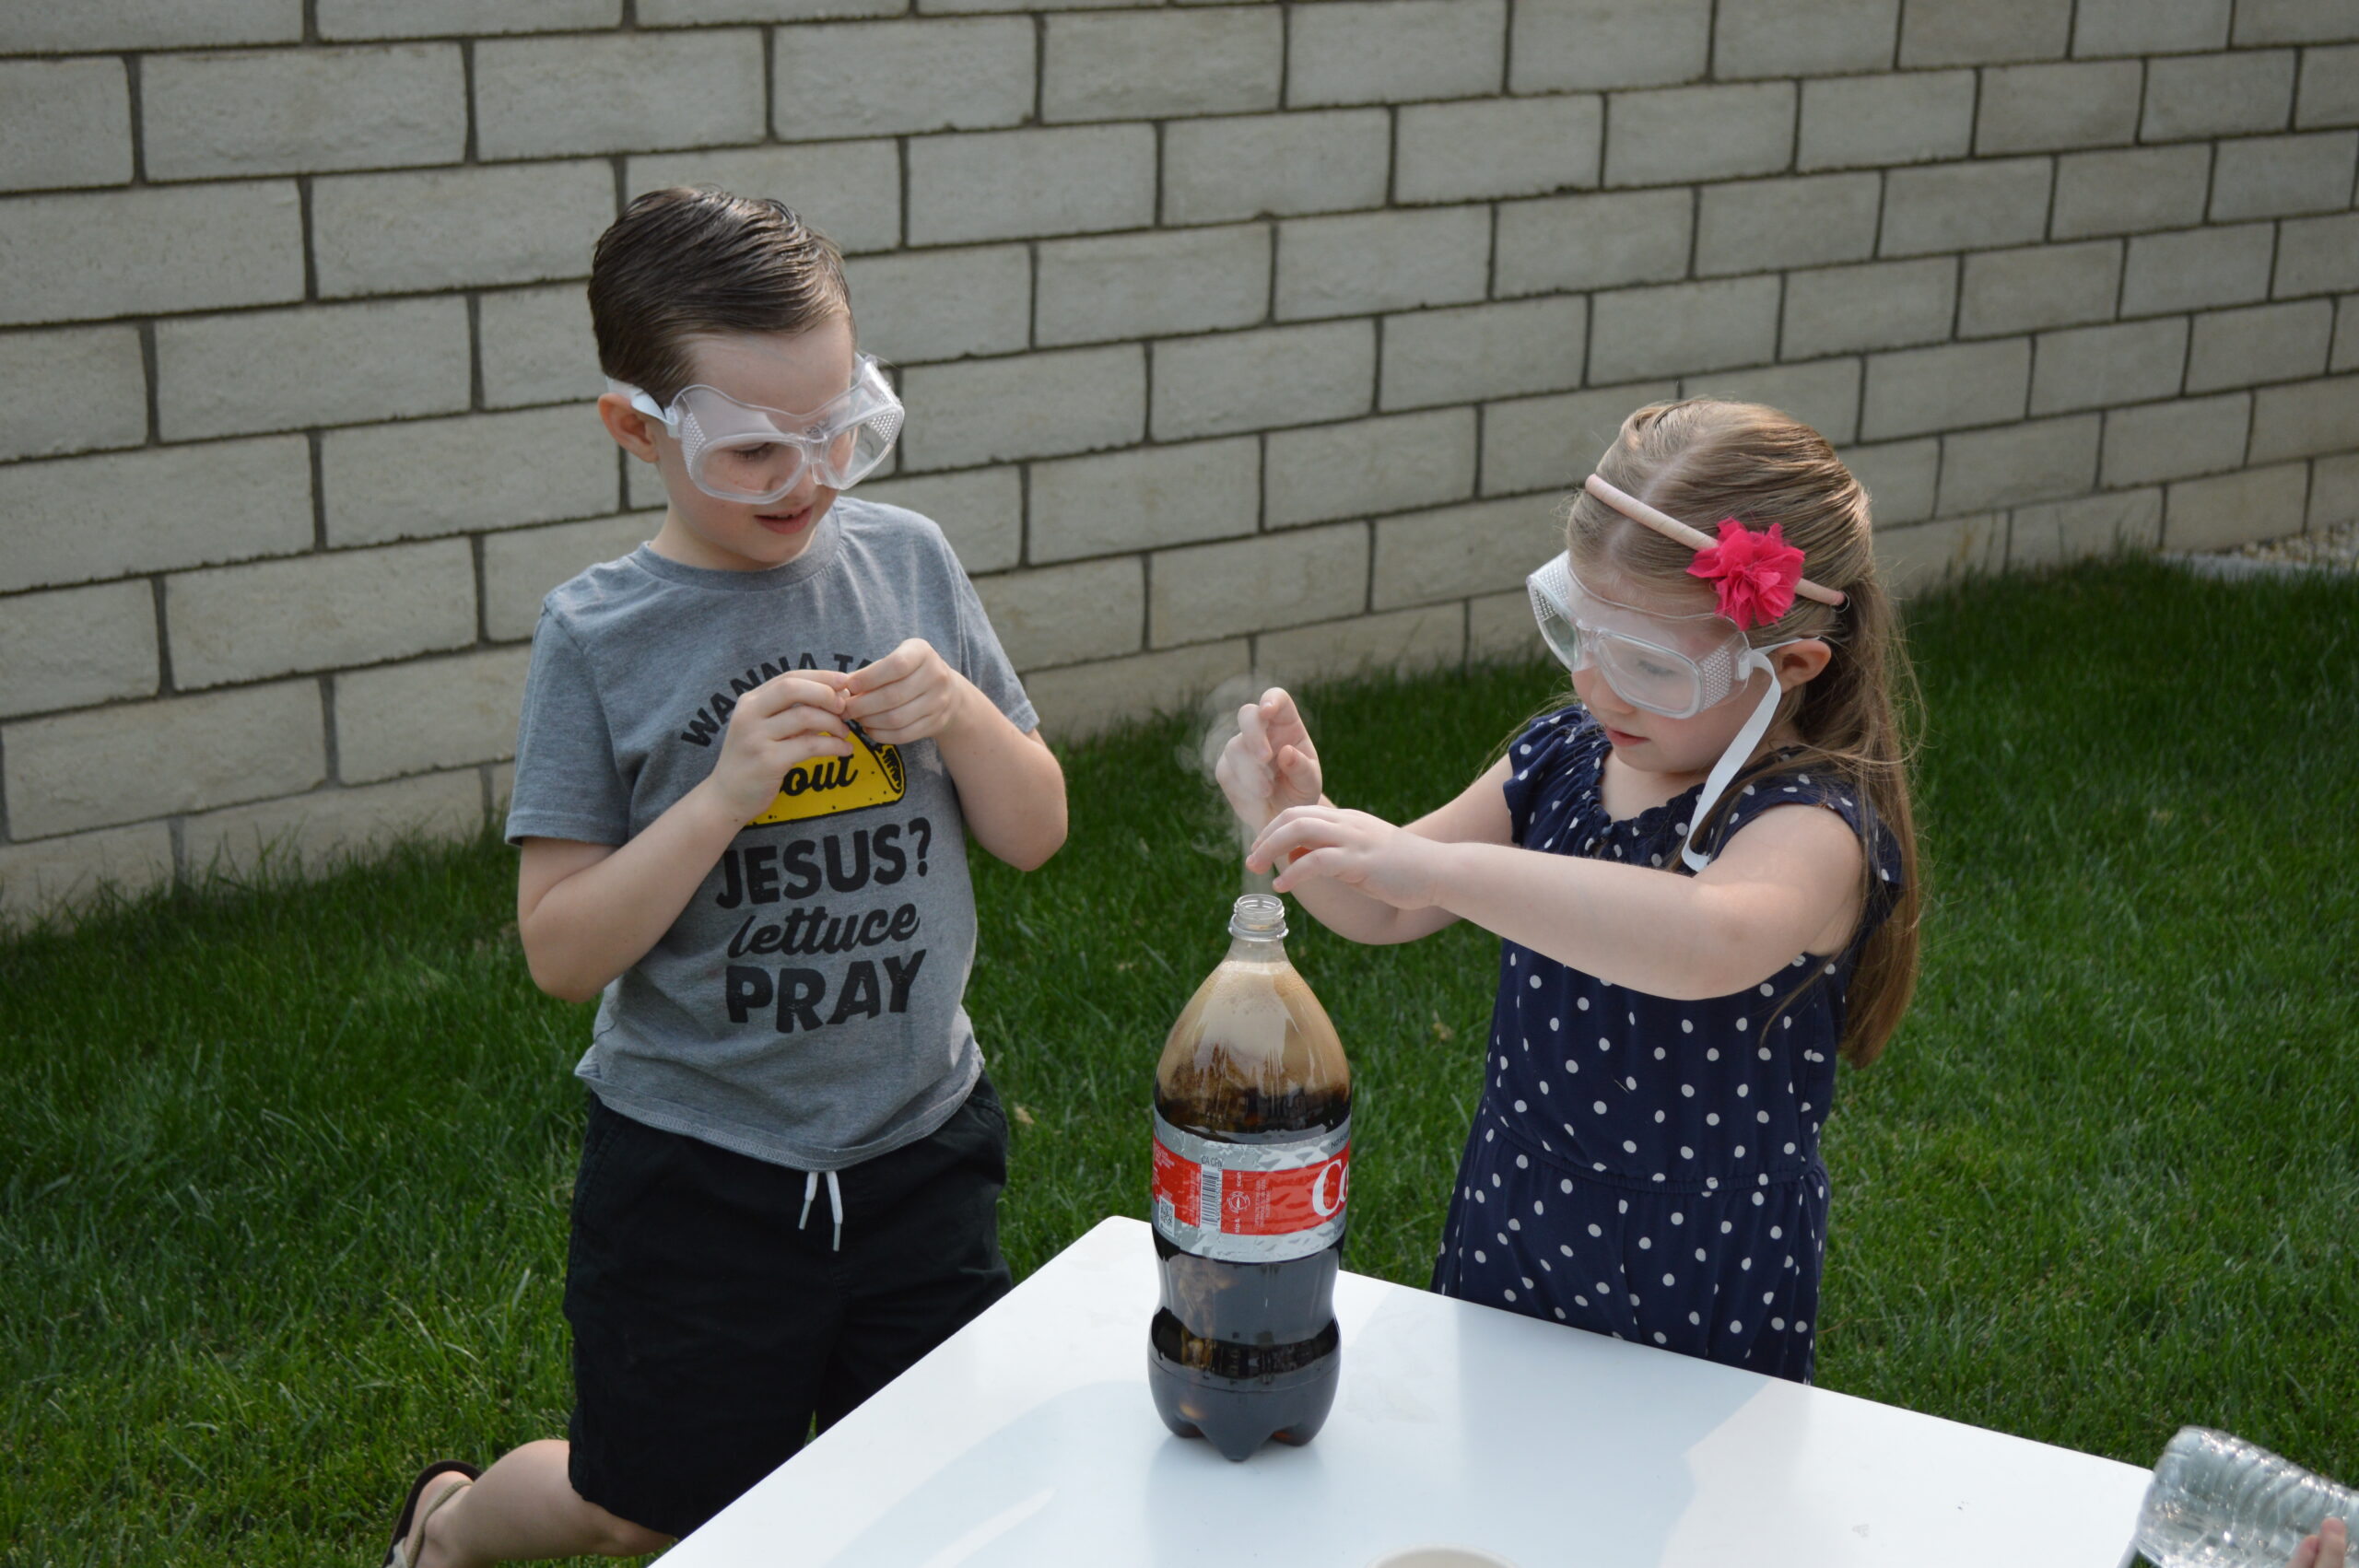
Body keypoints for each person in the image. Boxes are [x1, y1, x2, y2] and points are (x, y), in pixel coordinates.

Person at [379, 187, 1067, 1567]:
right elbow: (563, 952)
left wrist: (966, 716)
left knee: (925, 1483)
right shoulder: (599, 637)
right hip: (701, 1174)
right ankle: (451, 1524)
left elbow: (1036, 827)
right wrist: (720, 798)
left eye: (839, 429)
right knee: (648, 1507)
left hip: (920, 1142)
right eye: (754, 449)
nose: (806, 479)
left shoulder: (909, 561)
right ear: (637, 427)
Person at [1218, 398, 1919, 1385]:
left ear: (1790, 665)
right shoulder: (1561, 757)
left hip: (1701, 1256)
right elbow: (1386, 906)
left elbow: (1705, 939)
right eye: (1580, 634)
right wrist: (1300, 813)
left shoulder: (1808, 823)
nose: (1597, 688)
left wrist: (1443, 867)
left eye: (1649, 666)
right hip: (1519, 1207)